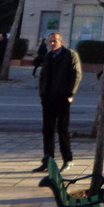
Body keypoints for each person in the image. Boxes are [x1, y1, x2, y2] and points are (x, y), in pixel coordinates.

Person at [33, 32, 82, 173]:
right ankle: (48, 160)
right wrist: (42, 93)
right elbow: (43, 76)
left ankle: (68, 159)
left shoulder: (69, 55)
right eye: (50, 41)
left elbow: (76, 75)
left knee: (62, 129)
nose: (52, 43)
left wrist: (70, 94)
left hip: (62, 97)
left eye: (54, 41)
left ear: (61, 41)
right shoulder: (48, 56)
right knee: (47, 130)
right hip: (48, 97)